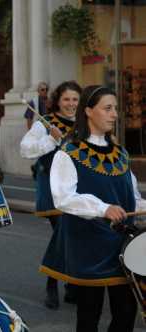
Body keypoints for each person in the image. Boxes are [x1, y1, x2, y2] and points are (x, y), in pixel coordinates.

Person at [40, 85, 146, 332]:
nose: (114, 114)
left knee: (126, 313)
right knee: (89, 314)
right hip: (88, 245)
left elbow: (132, 199)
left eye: (115, 109)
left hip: (121, 243)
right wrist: (103, 208)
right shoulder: (69, 152)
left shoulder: (120, 154)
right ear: (88, 111)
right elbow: (63, 197)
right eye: (107, 108)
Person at [20, 81, 81, 309]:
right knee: (63, 233)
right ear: (57, 101)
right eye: (67, 99)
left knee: (73, 235)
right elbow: (25, 149)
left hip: (78, 188)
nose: (71, 104)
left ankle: (71, 284)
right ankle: (53, 285)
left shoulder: (83, 123)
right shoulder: (44, 123)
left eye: (75, 99)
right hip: (53, 189)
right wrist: (51, 139)